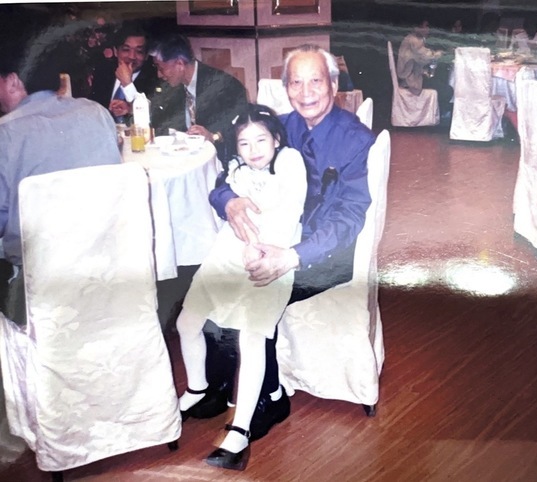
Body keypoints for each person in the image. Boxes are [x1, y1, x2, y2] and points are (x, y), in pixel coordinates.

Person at [208, 44, 375, 442]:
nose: (306, 92)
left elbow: (348, 219)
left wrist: (292, 257)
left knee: (251, 288)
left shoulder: (355, 140)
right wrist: (228, 201)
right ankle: (216, 387)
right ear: (285, 88)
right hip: (277, 238)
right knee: (216, 277)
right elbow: (225, 177)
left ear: (333, 84)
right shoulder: (278, 130)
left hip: (326, 256)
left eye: (316, 81)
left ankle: (271, 396)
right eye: (295, 83)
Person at [176, 104, 307, 471]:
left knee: (251, 337)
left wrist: (257, 249)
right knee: (187, 323)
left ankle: (241, 428)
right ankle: (198, 388)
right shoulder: (237, 168)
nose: (254, 150)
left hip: (270, 258)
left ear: (276, 139)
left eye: (261, 140)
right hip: (228, 255)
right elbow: (222, 197)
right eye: (245, 143)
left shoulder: (290, 163)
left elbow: (288, 217)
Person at [0, 34, 122, 324]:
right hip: (108, 269)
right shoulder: (97, 113)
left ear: (13, 81)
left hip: (40, 284)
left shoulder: (5, 134)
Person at [148, 33, 249, 163]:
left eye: (161, 68)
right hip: (182, 158)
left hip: (216, 161)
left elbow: (241, 126)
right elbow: (158, 119)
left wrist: (214, 136)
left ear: (180, 64)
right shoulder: (172, 87)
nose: (159, 74)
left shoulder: (225, 86)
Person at [87, 21, 158, 124]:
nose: (132, 56)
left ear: (146, 55)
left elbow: (153, 117)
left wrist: (127, 84)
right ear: (116, 51)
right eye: (126, 49)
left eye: (139, 51)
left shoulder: (154, 78)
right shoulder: (104, 71)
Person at [396, 20, 454, 120]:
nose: (428, 30)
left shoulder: (412, 39)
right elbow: (425, 55)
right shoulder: (413, 40)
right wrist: (439, 53)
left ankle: (438, 113)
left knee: (441, 82)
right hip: (410, 80)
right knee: (447, 90)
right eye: (425, 26)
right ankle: (441, 113)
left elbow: (418, 60)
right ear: (417, 27)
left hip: (412, 76)